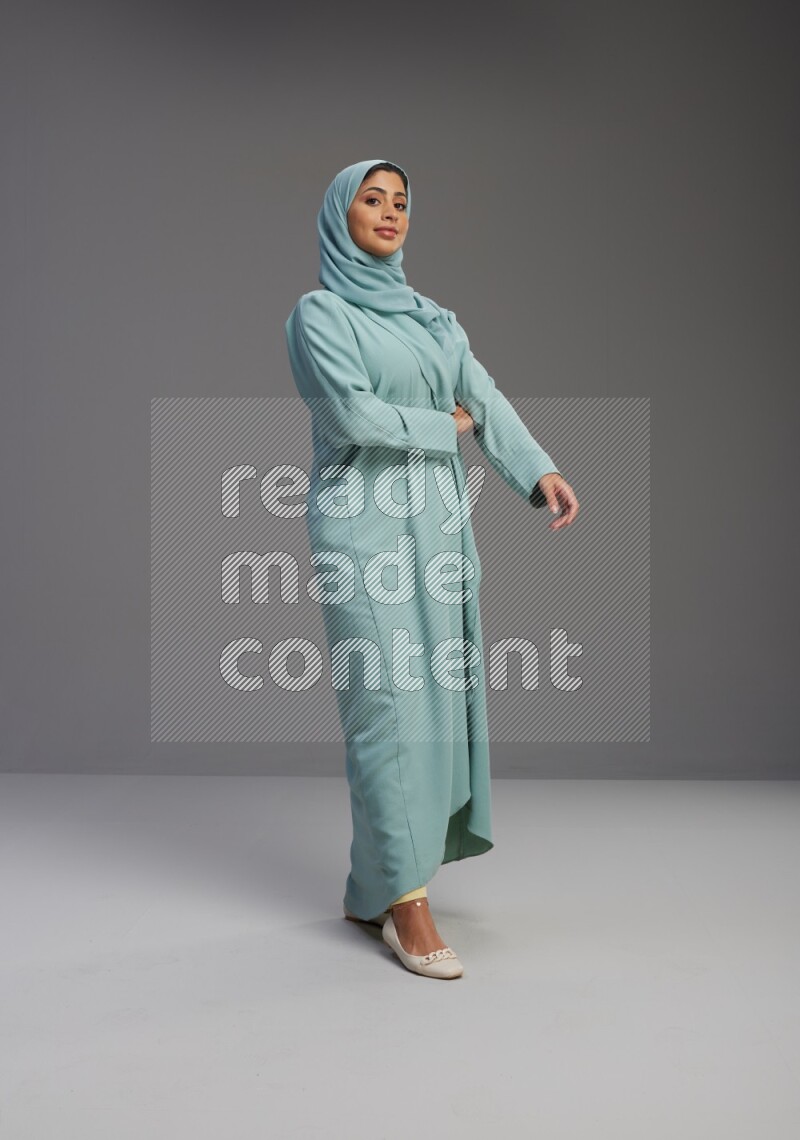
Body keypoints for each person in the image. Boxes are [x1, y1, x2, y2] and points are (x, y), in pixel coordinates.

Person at [284, 158, 578, 979]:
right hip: (363, 530)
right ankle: (406, 904)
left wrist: (537, 469)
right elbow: (347, 413)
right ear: (341, 214)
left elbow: (482, 400)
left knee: (436, 706)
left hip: (440, 534)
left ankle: (371, 884)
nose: (389, 212)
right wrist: (437, 425)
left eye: (401, 203)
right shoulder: (320, 315)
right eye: (371, 200)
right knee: (386, 708)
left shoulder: (435, 320)